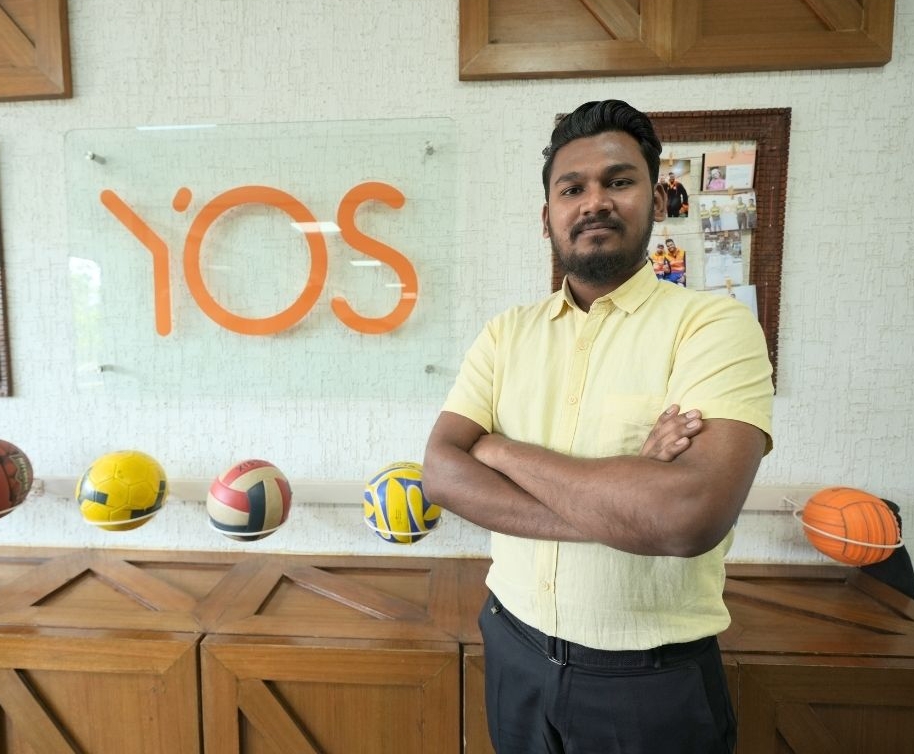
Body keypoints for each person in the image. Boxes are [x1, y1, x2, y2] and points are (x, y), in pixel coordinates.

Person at [422, 99, 774, 754]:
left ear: (657, 201)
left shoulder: (714, 327)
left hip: (648, 679)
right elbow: (441, 472)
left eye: (619, 181)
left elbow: (687, 516)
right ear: (547, 218)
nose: (595, 202)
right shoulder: (506, 334)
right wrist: (624, 506)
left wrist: (498, 451)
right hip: (513, 647)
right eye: (572, 189)